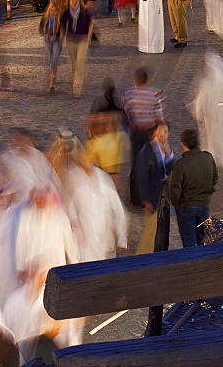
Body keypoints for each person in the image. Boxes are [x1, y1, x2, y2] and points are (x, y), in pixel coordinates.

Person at [47, 130, 127, 262]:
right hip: (77, 226)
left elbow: (117, 208)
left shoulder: (103, 179)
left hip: (101, 231)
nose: (66, 147)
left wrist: (121, 237)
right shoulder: (69, 172)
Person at [189, 52, 223, 172]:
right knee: (222, 137)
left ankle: (210, 158)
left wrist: (199, 114)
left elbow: (200, 101)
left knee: (210, 137)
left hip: (210, 116)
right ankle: (220, 158)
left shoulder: (206, 84)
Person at [170, 128, 218, 247]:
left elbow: (175, 188)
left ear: (183, 144)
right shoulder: (208, 157)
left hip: (187, 207)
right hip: (204, 204)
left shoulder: (181, 164)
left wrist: (176, 202)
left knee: (188, 241)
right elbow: (215, 179)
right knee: (202, 238)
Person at [133, 122, 174, 254]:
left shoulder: (165, 149)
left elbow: (166, 172)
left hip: (162, 193)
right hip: (152, 195)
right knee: (151, 228)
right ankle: (143, 254)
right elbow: (141, 176)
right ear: (155, 132)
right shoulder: (148, 150)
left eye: (166, 132)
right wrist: (145, 199)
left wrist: (169, 156)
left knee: (160, 226)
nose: (163, 135)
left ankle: (155, 250)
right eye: (161, 131)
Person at [122, 67, 165, 163]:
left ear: (135, 80)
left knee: (135, 157)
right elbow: (159, 116)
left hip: (135, 131)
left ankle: (135, 175)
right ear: (147, 81)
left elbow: (125, 111)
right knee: (149, 158)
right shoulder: (155, 94)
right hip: (150, 132)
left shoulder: (127, 94)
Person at [61, 0, 92, 97]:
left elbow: (90, 23)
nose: (74, 1)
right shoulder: (66, 11)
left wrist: (89, 37)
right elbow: (62, 25)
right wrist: (62, 35)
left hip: (82, 38)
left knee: (80, 62)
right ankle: (75, 78)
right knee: (74, 62)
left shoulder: (84, 10)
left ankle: (78, 87)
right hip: (71, 38)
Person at [39, 2, 65, 93]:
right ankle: (52, 75)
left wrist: (60, 39)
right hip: (48, 40)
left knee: (54, 60)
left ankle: (52, 82)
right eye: (51, 10)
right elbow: (41, 28)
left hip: (57, 40)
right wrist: (45, 35)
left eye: (54, 10)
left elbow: (62, 30)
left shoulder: (60, 19)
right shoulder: (45, 18)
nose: (53, 12)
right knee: (50, 60)